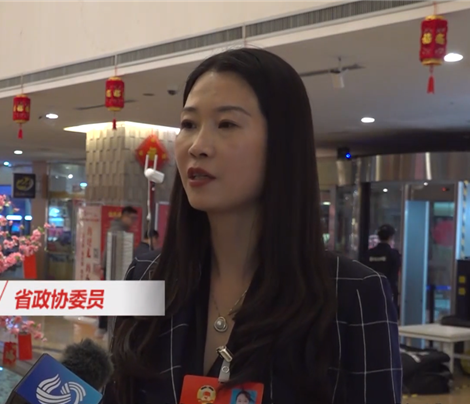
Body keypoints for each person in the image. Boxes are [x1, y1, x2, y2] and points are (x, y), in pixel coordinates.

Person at [102, 48, 401, 404]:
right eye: (189, 124)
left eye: (226, 124)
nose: (198, 146)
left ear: (282, 144)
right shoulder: (144, 277)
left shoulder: (352, 295)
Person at [95, 206, 138, 339]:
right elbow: (110, 252)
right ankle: (107, 328)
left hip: (113, 269)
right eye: (132, 218)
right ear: (124, 216)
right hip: (115, 270)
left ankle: (104, 328)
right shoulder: (117, 231)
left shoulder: (119, 229)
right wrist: (104, 266)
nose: (133, 222)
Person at [366, 224, 401, 316]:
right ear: (391, 237)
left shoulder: (369, 254)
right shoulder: (394, 254)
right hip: (388, 291)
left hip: (370, 292)